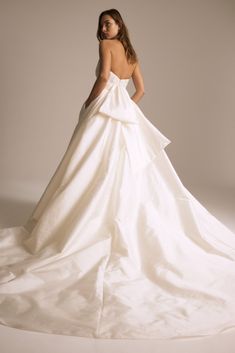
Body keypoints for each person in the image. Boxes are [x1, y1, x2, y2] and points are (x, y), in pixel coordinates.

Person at [0, 8, 235, 340]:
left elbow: (102, 78)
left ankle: (86, 217)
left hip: (104, 112)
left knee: (87, 164)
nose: (103, 28)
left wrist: (89, 104)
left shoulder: (107, 48)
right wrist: (125, 107)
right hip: (124, 115)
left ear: (120, 24)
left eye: (108, 23)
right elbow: (140, 91)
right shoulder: (133, 54)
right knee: (121, 166)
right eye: (101, 25)